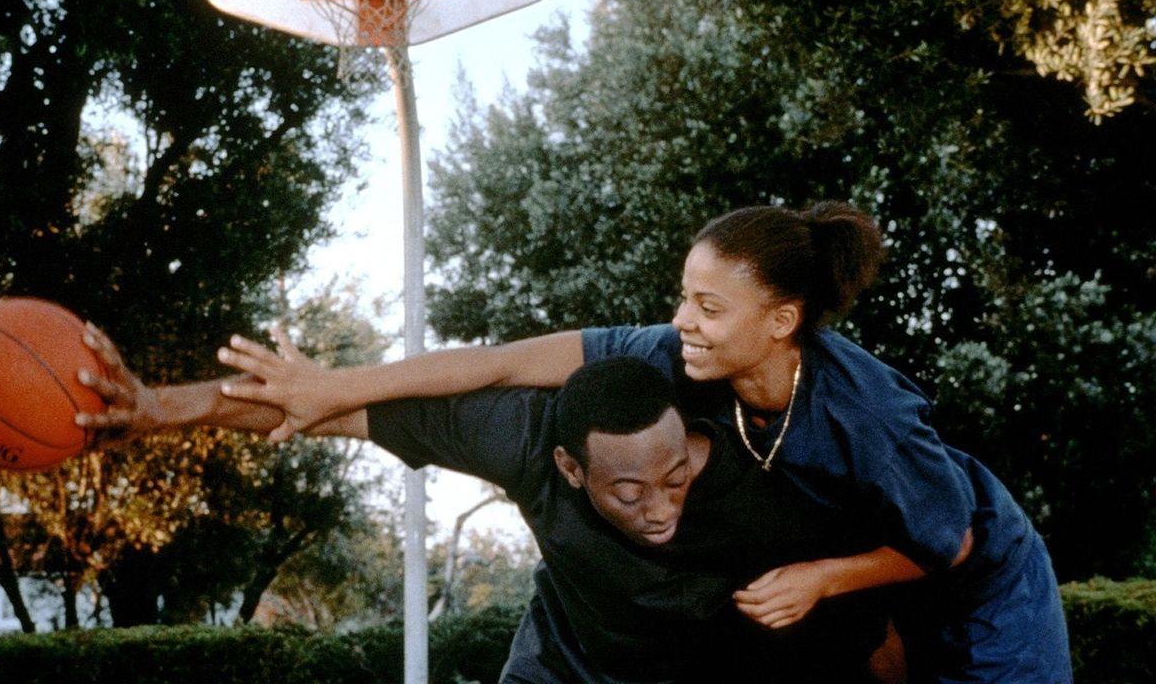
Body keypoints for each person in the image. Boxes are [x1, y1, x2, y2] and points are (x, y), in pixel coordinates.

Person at [206, 202, 1072, 683]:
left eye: (708, 307)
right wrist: (339, 387)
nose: (680, 321)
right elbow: (506, 365)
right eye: (683, 296)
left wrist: (820, 578)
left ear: (781, 321)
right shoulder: (674, 357)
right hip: (871, 570)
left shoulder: (868, 416)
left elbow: (949, 539)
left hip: (976, 577)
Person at [77, 338, 896, 682]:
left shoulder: (765, 488)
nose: (659, 510)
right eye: (628, 492)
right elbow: (318, 410)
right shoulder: (523, 438)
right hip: (564, 667)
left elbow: (879, 623)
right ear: (570, 469)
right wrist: (160, 408)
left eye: (676, 476)